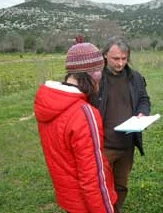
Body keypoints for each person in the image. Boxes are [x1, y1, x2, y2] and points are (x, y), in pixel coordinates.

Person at [34, 42, 117, 213]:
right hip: (88, 205)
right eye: (99, 71)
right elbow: (92, 176)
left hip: (68, 200)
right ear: (92, 74)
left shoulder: (48, 105)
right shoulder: (85, 114)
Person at [92, 36, 151, 213]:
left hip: (126, 145)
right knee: (99, 187)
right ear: (104, 56)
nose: (120, 63)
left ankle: (115, 209)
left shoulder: (135, 78)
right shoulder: (96, 79)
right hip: (103, 146)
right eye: (116, 59)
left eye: (124, 59)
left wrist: (142, 113)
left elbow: (143, 99)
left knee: (121, 186)